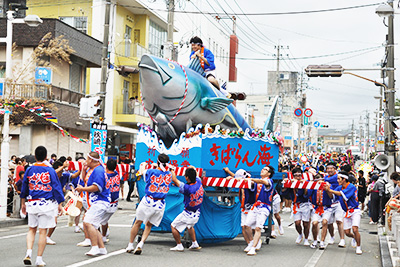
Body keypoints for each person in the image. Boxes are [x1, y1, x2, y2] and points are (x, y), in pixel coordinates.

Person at [20, 146, 65, 267]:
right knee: (43, 231)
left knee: (31, 229)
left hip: (32, 203)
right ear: (46, 157)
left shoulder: (29, 170)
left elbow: (24, 187)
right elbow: (56, 187)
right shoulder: (50, 171)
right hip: (47, 204)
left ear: (35, 156)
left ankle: (29, 252)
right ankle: (39, 259)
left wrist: (23, 202)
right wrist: (60, 204)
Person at [126, 153, 172, 255]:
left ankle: (130, 245)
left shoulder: (151, 171)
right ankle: (141, 244)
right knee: (149, 225)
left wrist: (143, 165)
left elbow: (142, 172)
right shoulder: (169, 174)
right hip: (160, 204)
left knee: (138, 222)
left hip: (148, 201)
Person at [75, 152, 110, 256]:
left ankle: (95, 247)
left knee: (87, 222)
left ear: (91, 160)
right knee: (92, 225)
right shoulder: (93, 169)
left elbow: (97, 187)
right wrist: (83, 170)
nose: (85, 161)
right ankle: (101, 248)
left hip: (100, 200)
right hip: (96, 201)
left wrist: (82, 189)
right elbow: (84, 180)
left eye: (87, 159)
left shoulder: (98, 170)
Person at [324, 171, 362, 255]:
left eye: (339, 179)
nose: (337, 180)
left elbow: (341, 195)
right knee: (347, 232)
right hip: (346, 212)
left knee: (355, 229)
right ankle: (354, 237)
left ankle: (358, 247)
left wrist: (330, 190)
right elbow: (333, 197)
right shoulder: (338, 188)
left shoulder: (351, 186)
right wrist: (327, 190)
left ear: (344, 179)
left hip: (355, 210)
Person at [170, 167, 203, 251]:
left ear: (187, 177)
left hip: (188, 213)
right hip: (197, 213)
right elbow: (195, 171)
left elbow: (174, 179)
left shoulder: (186, 188)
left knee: (173, 226)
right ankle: (195, 243)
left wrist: (172, 170)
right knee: (190, 226)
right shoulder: (198, 182)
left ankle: (179, 245)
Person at [245, 166, 275, 256]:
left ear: (269, 173)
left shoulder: (269, 181)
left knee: (258, 228)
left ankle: (253, 248)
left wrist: (250, 179)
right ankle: (252, 242)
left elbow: (262, 181)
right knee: (247, 225)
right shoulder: (257, 181)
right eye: (262, 168)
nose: (262, 170)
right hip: (255, 206)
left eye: (265, 170)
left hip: (264, 207)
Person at [282, 168, 311, 246]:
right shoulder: (291, 183)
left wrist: (303, 185)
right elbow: (284, 193)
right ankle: (300, 234)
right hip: (295, 205)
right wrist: (285, 184)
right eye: (296, 175)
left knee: (305, 223)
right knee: (297, 223)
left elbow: (306, 195)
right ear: (293, 176)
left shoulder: (305, 182)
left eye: (299, 175)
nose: (298, 177)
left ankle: (306, 238)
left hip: (305, 204)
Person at [324, 162, 346, 247]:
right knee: (329, 222)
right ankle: (332, 236)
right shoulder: (325, 178)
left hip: (338, 202)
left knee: (339, 220)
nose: (329, 170)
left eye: (331, 168)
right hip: (329, 203)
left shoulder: (338, 177)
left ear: (335, 169)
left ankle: (342, 239)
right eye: (328, 168)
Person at [101, 159, 120, 244]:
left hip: (106, 202)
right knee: (104, 220)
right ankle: (104, 236)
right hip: (114, 203)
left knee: (98, 220)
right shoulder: (117, 175)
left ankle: (99, 237)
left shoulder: (105, 176)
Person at [309, 184, 333, 250]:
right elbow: (307, 195)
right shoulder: (312, 187)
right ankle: (315, 240)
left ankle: (322, 241)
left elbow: (331, 197)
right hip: (316, 208)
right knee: (314, 223)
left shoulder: (328, 186)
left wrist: (328, 190)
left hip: (326, 208)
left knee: (324, 222)